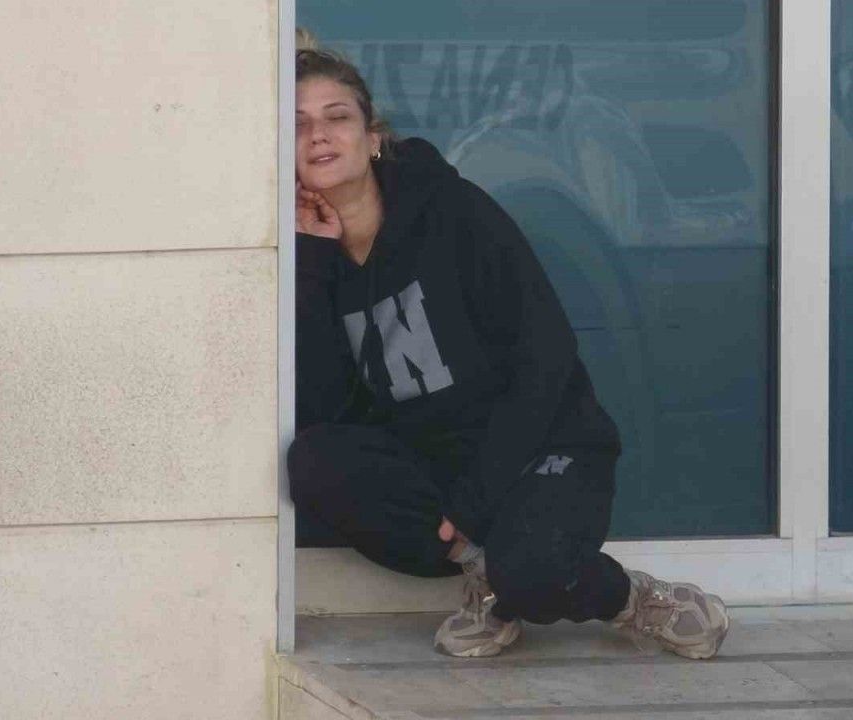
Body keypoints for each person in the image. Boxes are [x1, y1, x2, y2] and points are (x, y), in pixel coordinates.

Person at [285, 42, 730, 659]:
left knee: (535, 573)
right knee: (313, 459)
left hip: (544, 445)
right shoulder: (312, 260)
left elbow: (545, 355)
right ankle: (488, 575)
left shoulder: (454, 212)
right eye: (298, 123)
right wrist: (313, 259)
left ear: (373, 136)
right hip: (438, 463)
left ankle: (632, 599)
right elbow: (325, 409)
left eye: (337, 116)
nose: (318, 134)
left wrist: (475, 500)